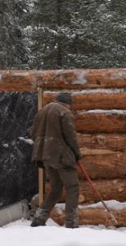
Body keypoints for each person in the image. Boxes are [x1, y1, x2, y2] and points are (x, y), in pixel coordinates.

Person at [30, 92, 82, 228]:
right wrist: (77, 153)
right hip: (61, 156)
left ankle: (39, 219)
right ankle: (71, 222)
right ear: (67, 103)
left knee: (56, 189)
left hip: (45, 156)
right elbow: (70, 136)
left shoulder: (42, 111)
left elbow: (32, 133)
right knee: (73, 187)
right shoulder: (64, 112)